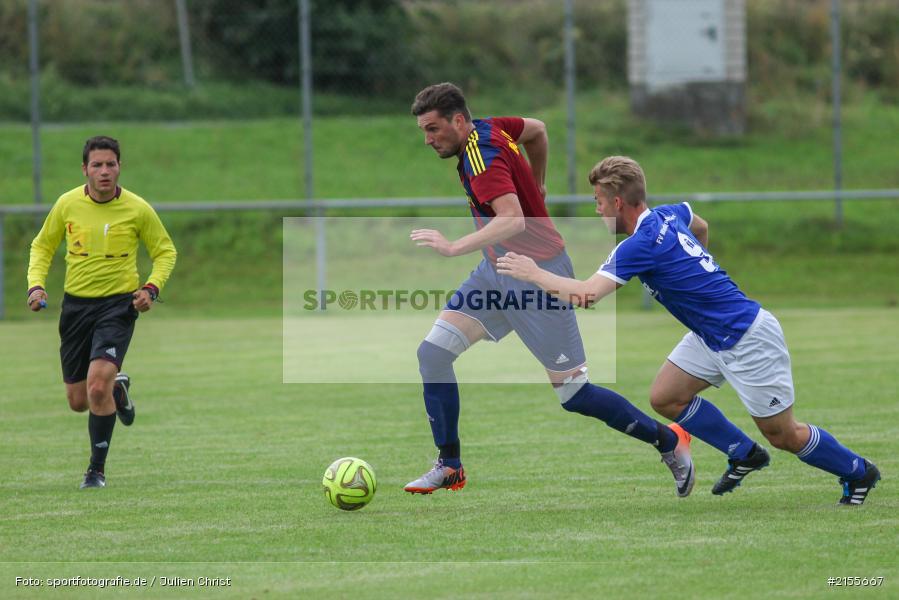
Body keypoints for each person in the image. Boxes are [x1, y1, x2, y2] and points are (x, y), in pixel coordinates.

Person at [497, 155, 880, 505]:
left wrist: (534, 273)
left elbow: (585, 295)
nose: (596, 210)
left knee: (783, 435)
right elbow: (701, 225)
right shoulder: (668, 214)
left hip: (746, 337)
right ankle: (742, 452)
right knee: (665, 396)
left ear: (617, 203)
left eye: (598, 202)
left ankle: (858, 471)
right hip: (709, 333)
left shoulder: (637, 245)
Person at [404, 83, 694, 497]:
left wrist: (452, 247)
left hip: (538, 276)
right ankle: (449, 465)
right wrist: (538, 184)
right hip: (496, 271)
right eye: (424, 131)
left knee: (575, 393)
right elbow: (537, 130)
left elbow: (513, 221)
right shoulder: (492, 128)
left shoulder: (481, 157)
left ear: (458, 120)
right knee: (433, 354)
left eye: (433, 129)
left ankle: (670, 441)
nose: (429, 140)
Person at [27, 135, 176, 489]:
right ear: (85, 169)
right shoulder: (67, 205)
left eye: (111, 164)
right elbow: (42, 245)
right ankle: (118, 390)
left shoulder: (138, 209)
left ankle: (96, 470)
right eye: (97, 165)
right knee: (79, 401)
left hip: (117, 306)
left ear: (119, 167)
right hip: (76, 307)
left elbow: (165, 251)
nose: (104, 171)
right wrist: (35, 284)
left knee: (96, 388)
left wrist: (151, 289)